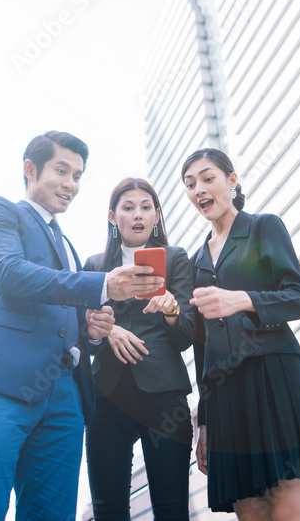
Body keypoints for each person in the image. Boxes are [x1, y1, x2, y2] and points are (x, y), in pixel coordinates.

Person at [0, 131, 165, 521]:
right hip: (1, 383)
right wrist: (102, 285)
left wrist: (93, 330)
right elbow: (11, 274)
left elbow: (66, 315)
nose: (71, 184)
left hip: (66, 397)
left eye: (78, 176)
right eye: (61, 171)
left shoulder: (69, 247)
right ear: (31, 169)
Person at [164, 147, 300, 520]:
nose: (199, 190)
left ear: (232, 180)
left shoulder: (263, 226)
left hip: (274, 377)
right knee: (251, 512)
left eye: (207, 178)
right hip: (225, 394)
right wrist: (205, 421)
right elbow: (201, 344)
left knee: (288, 505)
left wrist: (241, 299)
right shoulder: (196, 261)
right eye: (190, 184)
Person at [83, 178, 196, 520]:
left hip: (163, 395)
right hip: (107, 395)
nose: (138, 215)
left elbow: (186, 337)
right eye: (128, 207)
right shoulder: (94, 265)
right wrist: (109, 330)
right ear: (112, 217)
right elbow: (83, 337)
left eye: (146, 207)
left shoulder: (176, 259)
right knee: (108, 510)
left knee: (172, 508)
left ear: (157, 215)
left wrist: (172, 309)